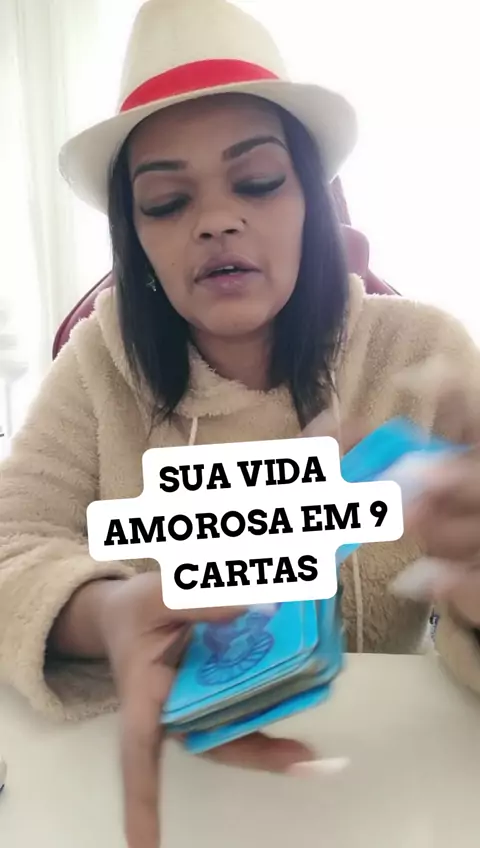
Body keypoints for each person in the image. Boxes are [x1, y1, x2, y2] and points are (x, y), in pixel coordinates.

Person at [2, 0, 480, 844]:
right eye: (166, 201)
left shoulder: (420, 352)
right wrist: (103, 613)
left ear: (315, 201)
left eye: (257, 182)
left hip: (387, 792)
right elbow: (10, 542)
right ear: (134, 238)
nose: (217, 220)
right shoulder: (98, 364)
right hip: (167, 786)